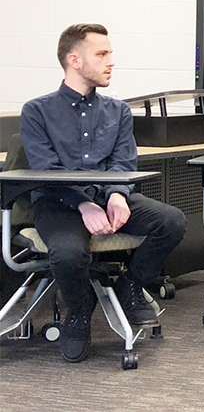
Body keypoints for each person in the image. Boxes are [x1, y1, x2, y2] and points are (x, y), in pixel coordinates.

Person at [19, 23, 187, 362]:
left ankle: (130, 284)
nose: (111, 61)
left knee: (171, 221)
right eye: (102, 54)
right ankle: (79, 309)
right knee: (67, 254)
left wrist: (116, 196)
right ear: (74, 61)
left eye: (110, 53)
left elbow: (123, 162)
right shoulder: (37, 111)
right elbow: (46, 171)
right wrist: (83, 204)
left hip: (105, 199)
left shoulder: (118, 111)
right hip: (59, 204)